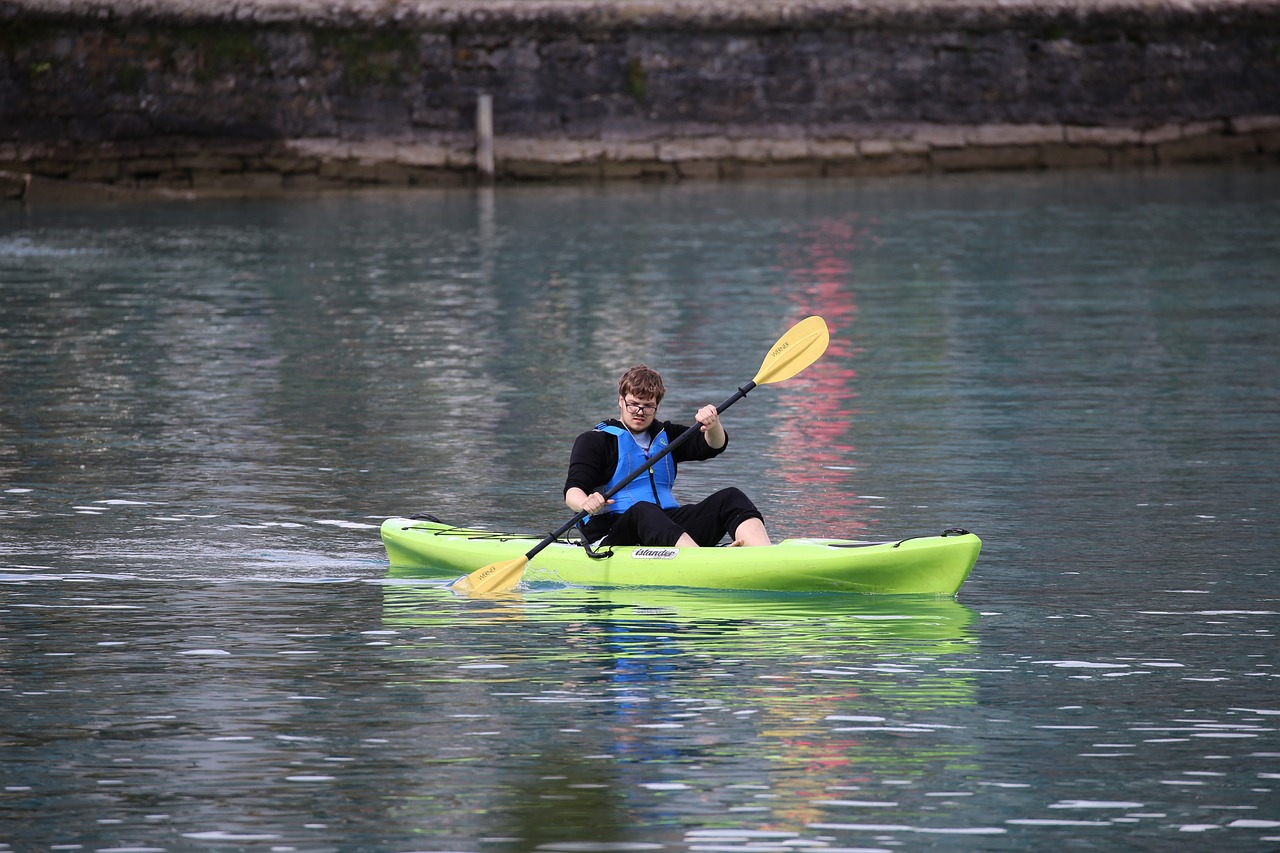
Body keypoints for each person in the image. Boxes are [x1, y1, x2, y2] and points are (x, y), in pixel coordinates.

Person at [564, 364, 772, 549]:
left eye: (647, 406)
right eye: (633, 404)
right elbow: (573, 489)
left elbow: (713, 446)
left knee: (731, 497)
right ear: (621, 401)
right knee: (644, 511)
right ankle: (700, 561)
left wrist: (713, 424)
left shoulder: (668, 435)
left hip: (668, 527)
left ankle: (763, 556)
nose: (639, 411)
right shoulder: (595, 441)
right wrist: (585, 502)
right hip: (615, 532)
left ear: (657, 406)